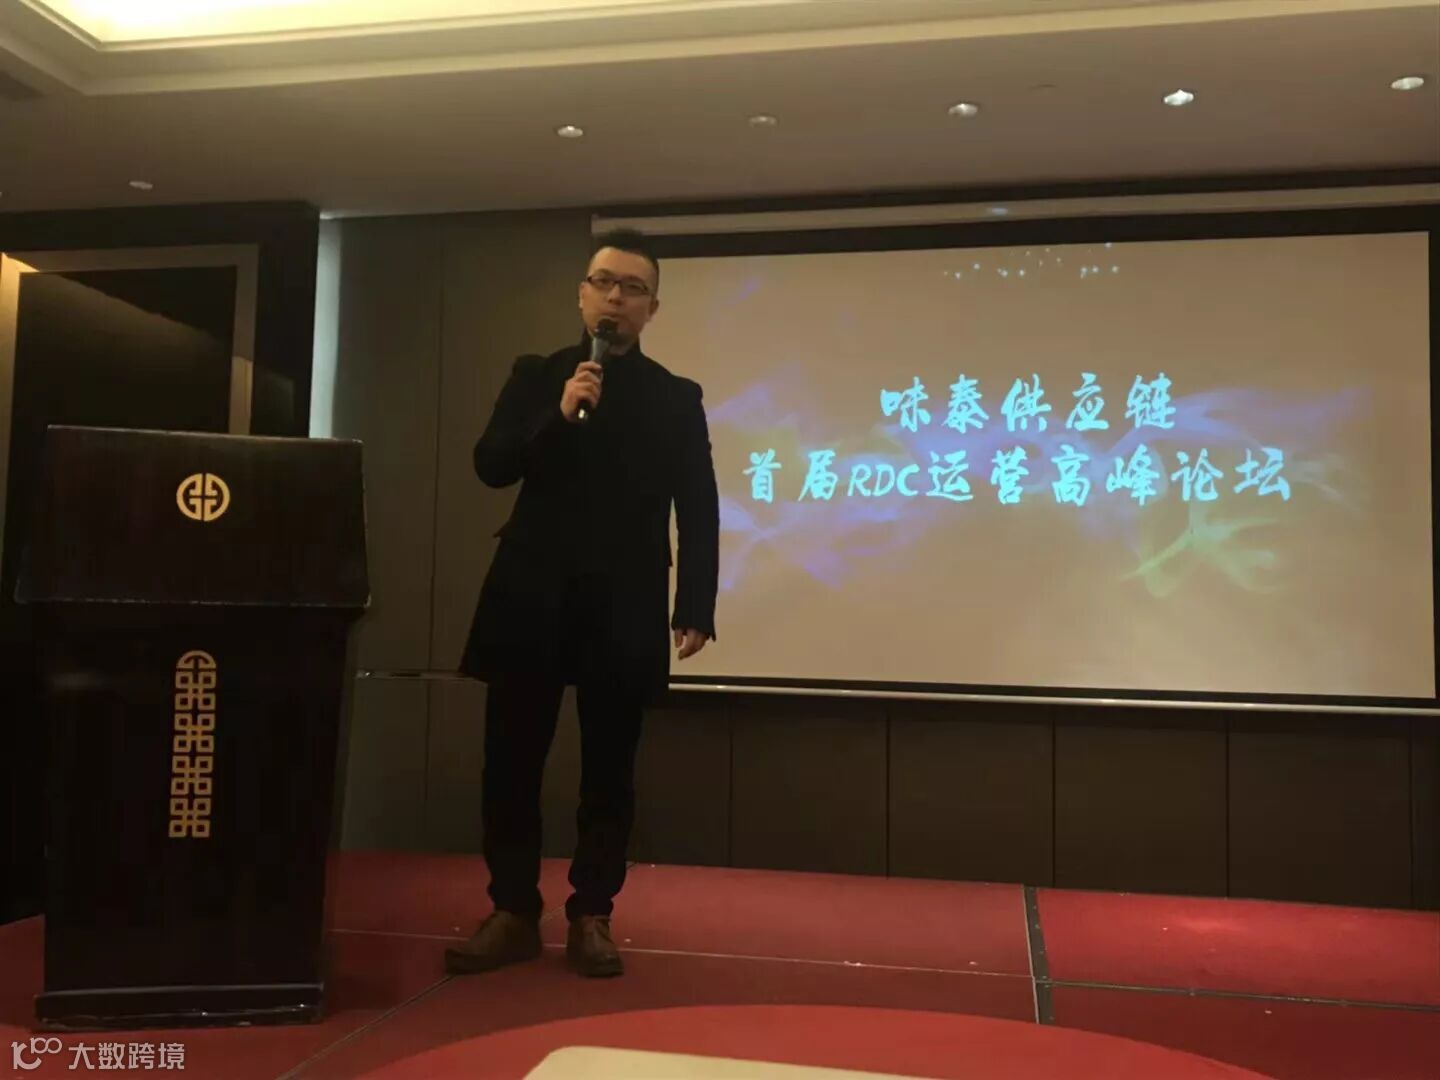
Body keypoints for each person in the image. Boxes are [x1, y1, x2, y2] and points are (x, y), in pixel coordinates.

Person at [446, 229, 719, 978]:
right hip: (531, 594)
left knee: (609, 770)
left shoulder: (675, 397)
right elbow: (490, 465)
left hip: (624, 601)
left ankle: (592, 913)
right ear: (581, 294)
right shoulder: (539, 375)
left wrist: (696, 602)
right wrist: (557, 415)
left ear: (652, 309)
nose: (615, 298)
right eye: (604, 282)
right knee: (510, 761)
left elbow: (698, 503)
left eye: (633, 288)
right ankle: (511, 909)